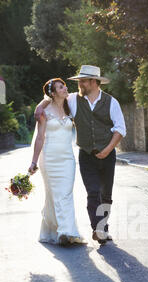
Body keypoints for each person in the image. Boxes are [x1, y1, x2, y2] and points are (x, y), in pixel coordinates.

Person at [35, 65, 126, 244]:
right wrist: (40, 105)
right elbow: (52, 97)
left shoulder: (111, 102)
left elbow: (120, 130)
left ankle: (103, 228)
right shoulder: (74, 100)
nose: (80, 84)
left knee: (106, 194)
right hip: (86, 155)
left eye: (83, 81)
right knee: (93, 192)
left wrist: (107, 150)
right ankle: (98, 230)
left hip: (108, 155)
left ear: (93, 82)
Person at [29, 78, 85, 246]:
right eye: (61, 87)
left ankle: (66, 231)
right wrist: (33, 162)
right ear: (53, 93)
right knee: (54, 196)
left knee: (66, 194)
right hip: (49, 158)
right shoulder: (45, 112)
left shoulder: (72, 104)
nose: (65, 88)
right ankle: (63, 232)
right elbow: (40, 137)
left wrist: (41, 103)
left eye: (64, 85)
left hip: (68, 158)